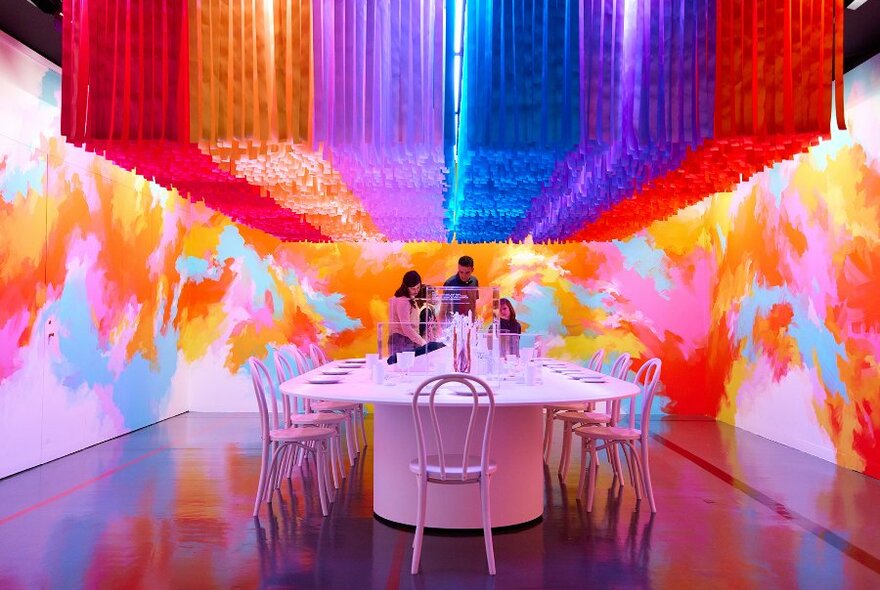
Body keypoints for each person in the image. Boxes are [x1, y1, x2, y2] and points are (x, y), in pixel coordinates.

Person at [388, 270, 427, 356]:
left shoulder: (402, 298)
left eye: (418, 287)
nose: (416, 291)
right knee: (405, 368)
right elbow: (406, 327)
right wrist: (422, 342)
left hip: (403, 339)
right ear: (406, 287)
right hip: (402, 340)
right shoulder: (403, 301)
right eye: (413, 288)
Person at [440, 255, 479, 319]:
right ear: (458, 268)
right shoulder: (449, 283)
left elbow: (473, 305)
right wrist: (442, 327)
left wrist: (475, 321)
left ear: (472, 270)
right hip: (453, 323)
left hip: (469, 323)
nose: (463, 275)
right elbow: (442, 311)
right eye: (461, 272)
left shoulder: (475, 281)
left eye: (467, 272)